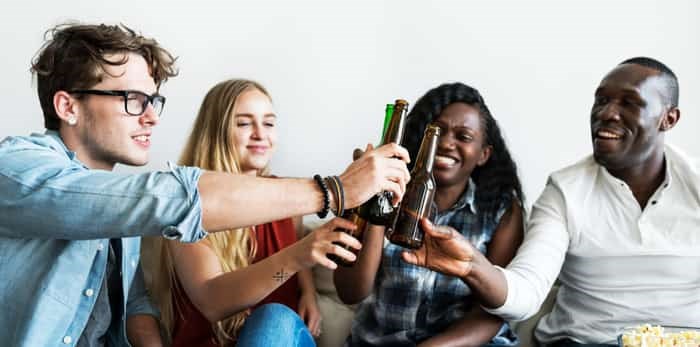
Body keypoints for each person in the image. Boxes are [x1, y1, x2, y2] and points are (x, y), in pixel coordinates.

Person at [0, 23, 410, 347]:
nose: (151, 117)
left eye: (153, 101)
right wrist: (335, 190)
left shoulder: (114, 208)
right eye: (133, 100)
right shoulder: (18, 170)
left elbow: (136, 305)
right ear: (67, 105)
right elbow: (169, 199)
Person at [402, 58, 700, 347]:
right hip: (585, 341)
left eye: (629, 103)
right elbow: (527, 291)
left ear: (668, 118)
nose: (607, 113)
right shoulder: (565, 191)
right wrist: (473, 267)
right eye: (601, 100)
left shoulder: (694, 183)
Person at [143, 79, 348, 346]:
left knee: (276, 318)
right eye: (244, 123)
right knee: (273, 317)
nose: (261, 134)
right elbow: (213, 302)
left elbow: (297, 245)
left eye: (269, 123)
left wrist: (308, 292)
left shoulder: (289, 198)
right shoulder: (187, 205)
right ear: (215, 132)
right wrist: (298, 256)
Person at [334, 82, 525, 346]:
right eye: (436, 133)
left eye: (463, 137)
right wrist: (379, 203)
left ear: (483, 154)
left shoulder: (502, 211)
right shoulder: (372, 189)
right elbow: (350, 292)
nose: (446, 143)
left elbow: (493, 313)